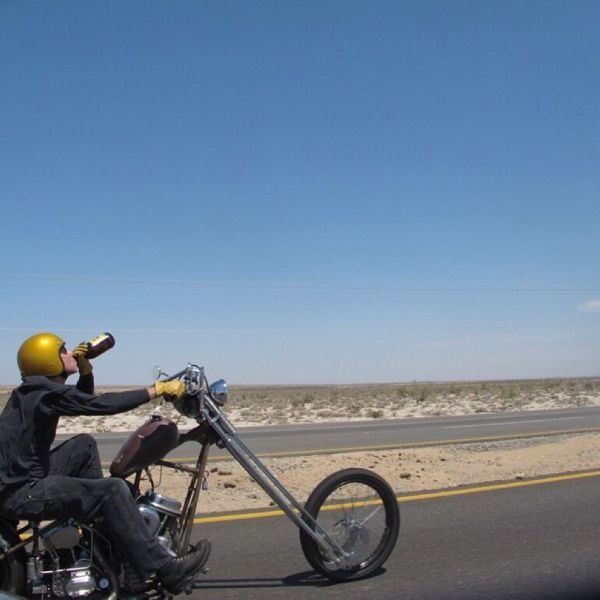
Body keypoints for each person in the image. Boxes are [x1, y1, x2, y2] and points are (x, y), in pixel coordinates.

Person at [0, 332, 210, 595]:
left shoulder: (34, 391)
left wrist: (85, 372)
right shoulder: (42, 393)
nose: (69, 353)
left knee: (84, 445)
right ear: (48, 361)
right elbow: (100, 404)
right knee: (112, 490)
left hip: (21, 480)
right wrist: (156, 390)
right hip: (22, 492)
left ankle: (104, 536)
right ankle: (165, 569)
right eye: (62, 350)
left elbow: (81, 399)